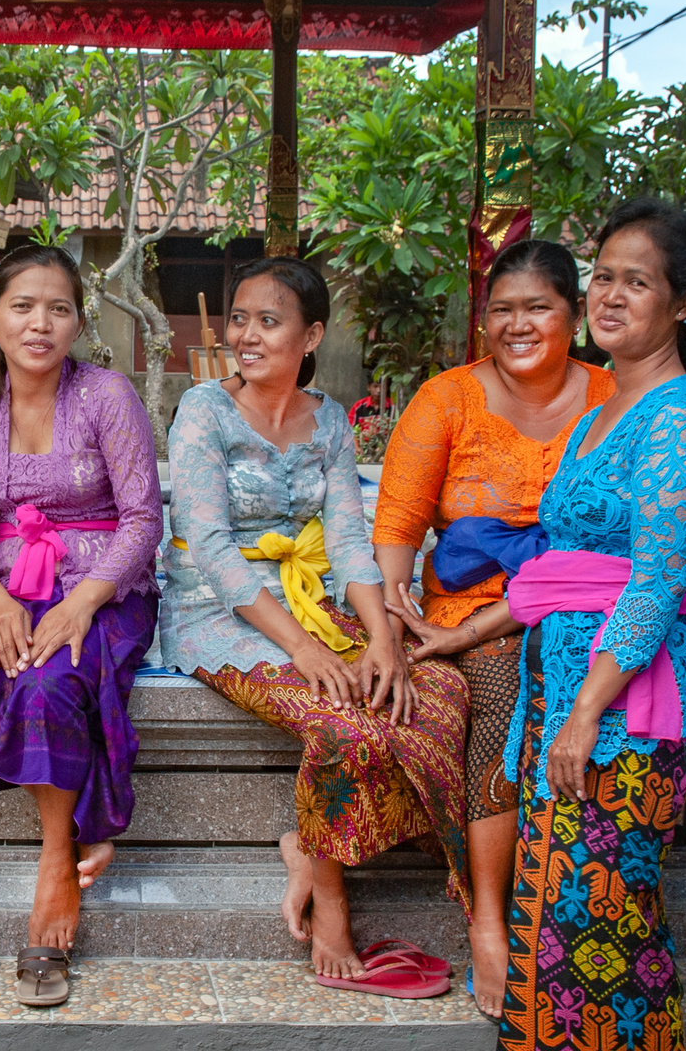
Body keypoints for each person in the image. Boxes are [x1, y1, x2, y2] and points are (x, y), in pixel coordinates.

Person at [434, 199, 686, 1047]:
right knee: (555, 923)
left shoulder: (679, 425)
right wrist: (466, 633)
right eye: (602, 276)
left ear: (681, 303)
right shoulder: (602, 412)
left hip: (625, 712)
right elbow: (561, 566)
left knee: (602, 928)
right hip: (562, 696)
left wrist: (587, 710)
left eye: (635, 282)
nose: (608, 296)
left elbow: (652, 586)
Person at [162, 255, 469, 990]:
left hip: (312, 594)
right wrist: (302, 648)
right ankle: (329, 899)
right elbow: (206, 547)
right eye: (239, 318)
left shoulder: (328, 418)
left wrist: (386, 642)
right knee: (341, 719)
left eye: (268, 321)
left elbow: (350, 543)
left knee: (437, 695)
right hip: (216, 606)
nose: (246, 334)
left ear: (310, 336)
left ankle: (308, 840)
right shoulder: (202, 410)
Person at [375, 238, 614, 1019]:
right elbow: (399, 520)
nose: (517, 323)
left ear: (572, 316)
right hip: (469, 614)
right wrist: (392, 598)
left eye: (536, 307)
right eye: (500, 310)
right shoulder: (446, 397)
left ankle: (595, 900)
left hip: (585, 600)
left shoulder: (616, 399)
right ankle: (490, 913)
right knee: (505, 689)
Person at [0, 245, 163, 1007]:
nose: (40, 323)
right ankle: (69, 833)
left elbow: (142, 519)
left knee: (51, 682)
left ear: (77, 322)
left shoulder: (105, 395)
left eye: (58, 308)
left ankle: (55, 863)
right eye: (22, 307)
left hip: (103, 581)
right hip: (9, 579)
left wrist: (82, 601)